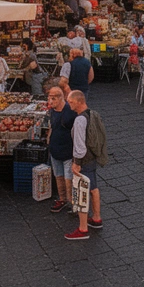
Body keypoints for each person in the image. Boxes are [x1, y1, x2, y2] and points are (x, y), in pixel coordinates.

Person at [65, 91, 104, 240]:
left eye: (71, 102)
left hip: (84, 161)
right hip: (92, 158)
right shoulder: (92, 114)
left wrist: (76, 163)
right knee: (93, 188)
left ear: (79, 102)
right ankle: (96, 218)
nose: (69, 105)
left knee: (81, 193)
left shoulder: (79, 120)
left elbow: (80, 146)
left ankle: (82, 228)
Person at [46, 84, 76, 213]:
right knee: (58, 175)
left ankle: (72, 202)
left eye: (53, 98)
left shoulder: (70, 112)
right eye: (49, 98)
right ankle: (63, 199)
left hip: (67, 151)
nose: (50, 101)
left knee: (68, 178)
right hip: (55, 150)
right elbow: (52, 126)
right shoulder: (53, 111)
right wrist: (49, 138)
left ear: (60, 98)